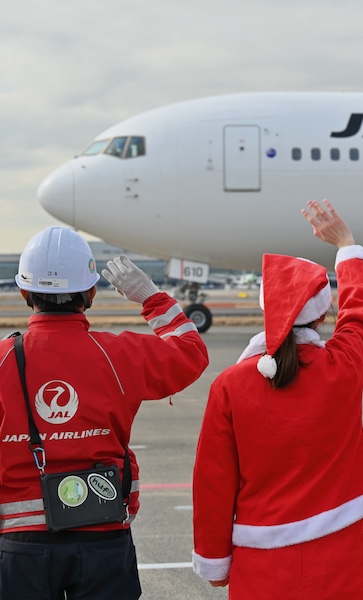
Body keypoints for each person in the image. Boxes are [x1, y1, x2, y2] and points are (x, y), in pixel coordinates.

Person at [0, 226, 209, 599]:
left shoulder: (2, 361)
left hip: (17, 542)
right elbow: (191, 352)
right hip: (102, 534)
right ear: (92, 292)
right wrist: (153, 299)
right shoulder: (119, 354)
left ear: (24, 292)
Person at [191, 200, 363, 598]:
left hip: (261, 563)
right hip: (341, 558)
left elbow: (213, 481)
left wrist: (213, 558)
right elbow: (361, 311)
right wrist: (345, 244)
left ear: (266, 311)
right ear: (323, 317)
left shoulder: (230, 385)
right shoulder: (343, 367)